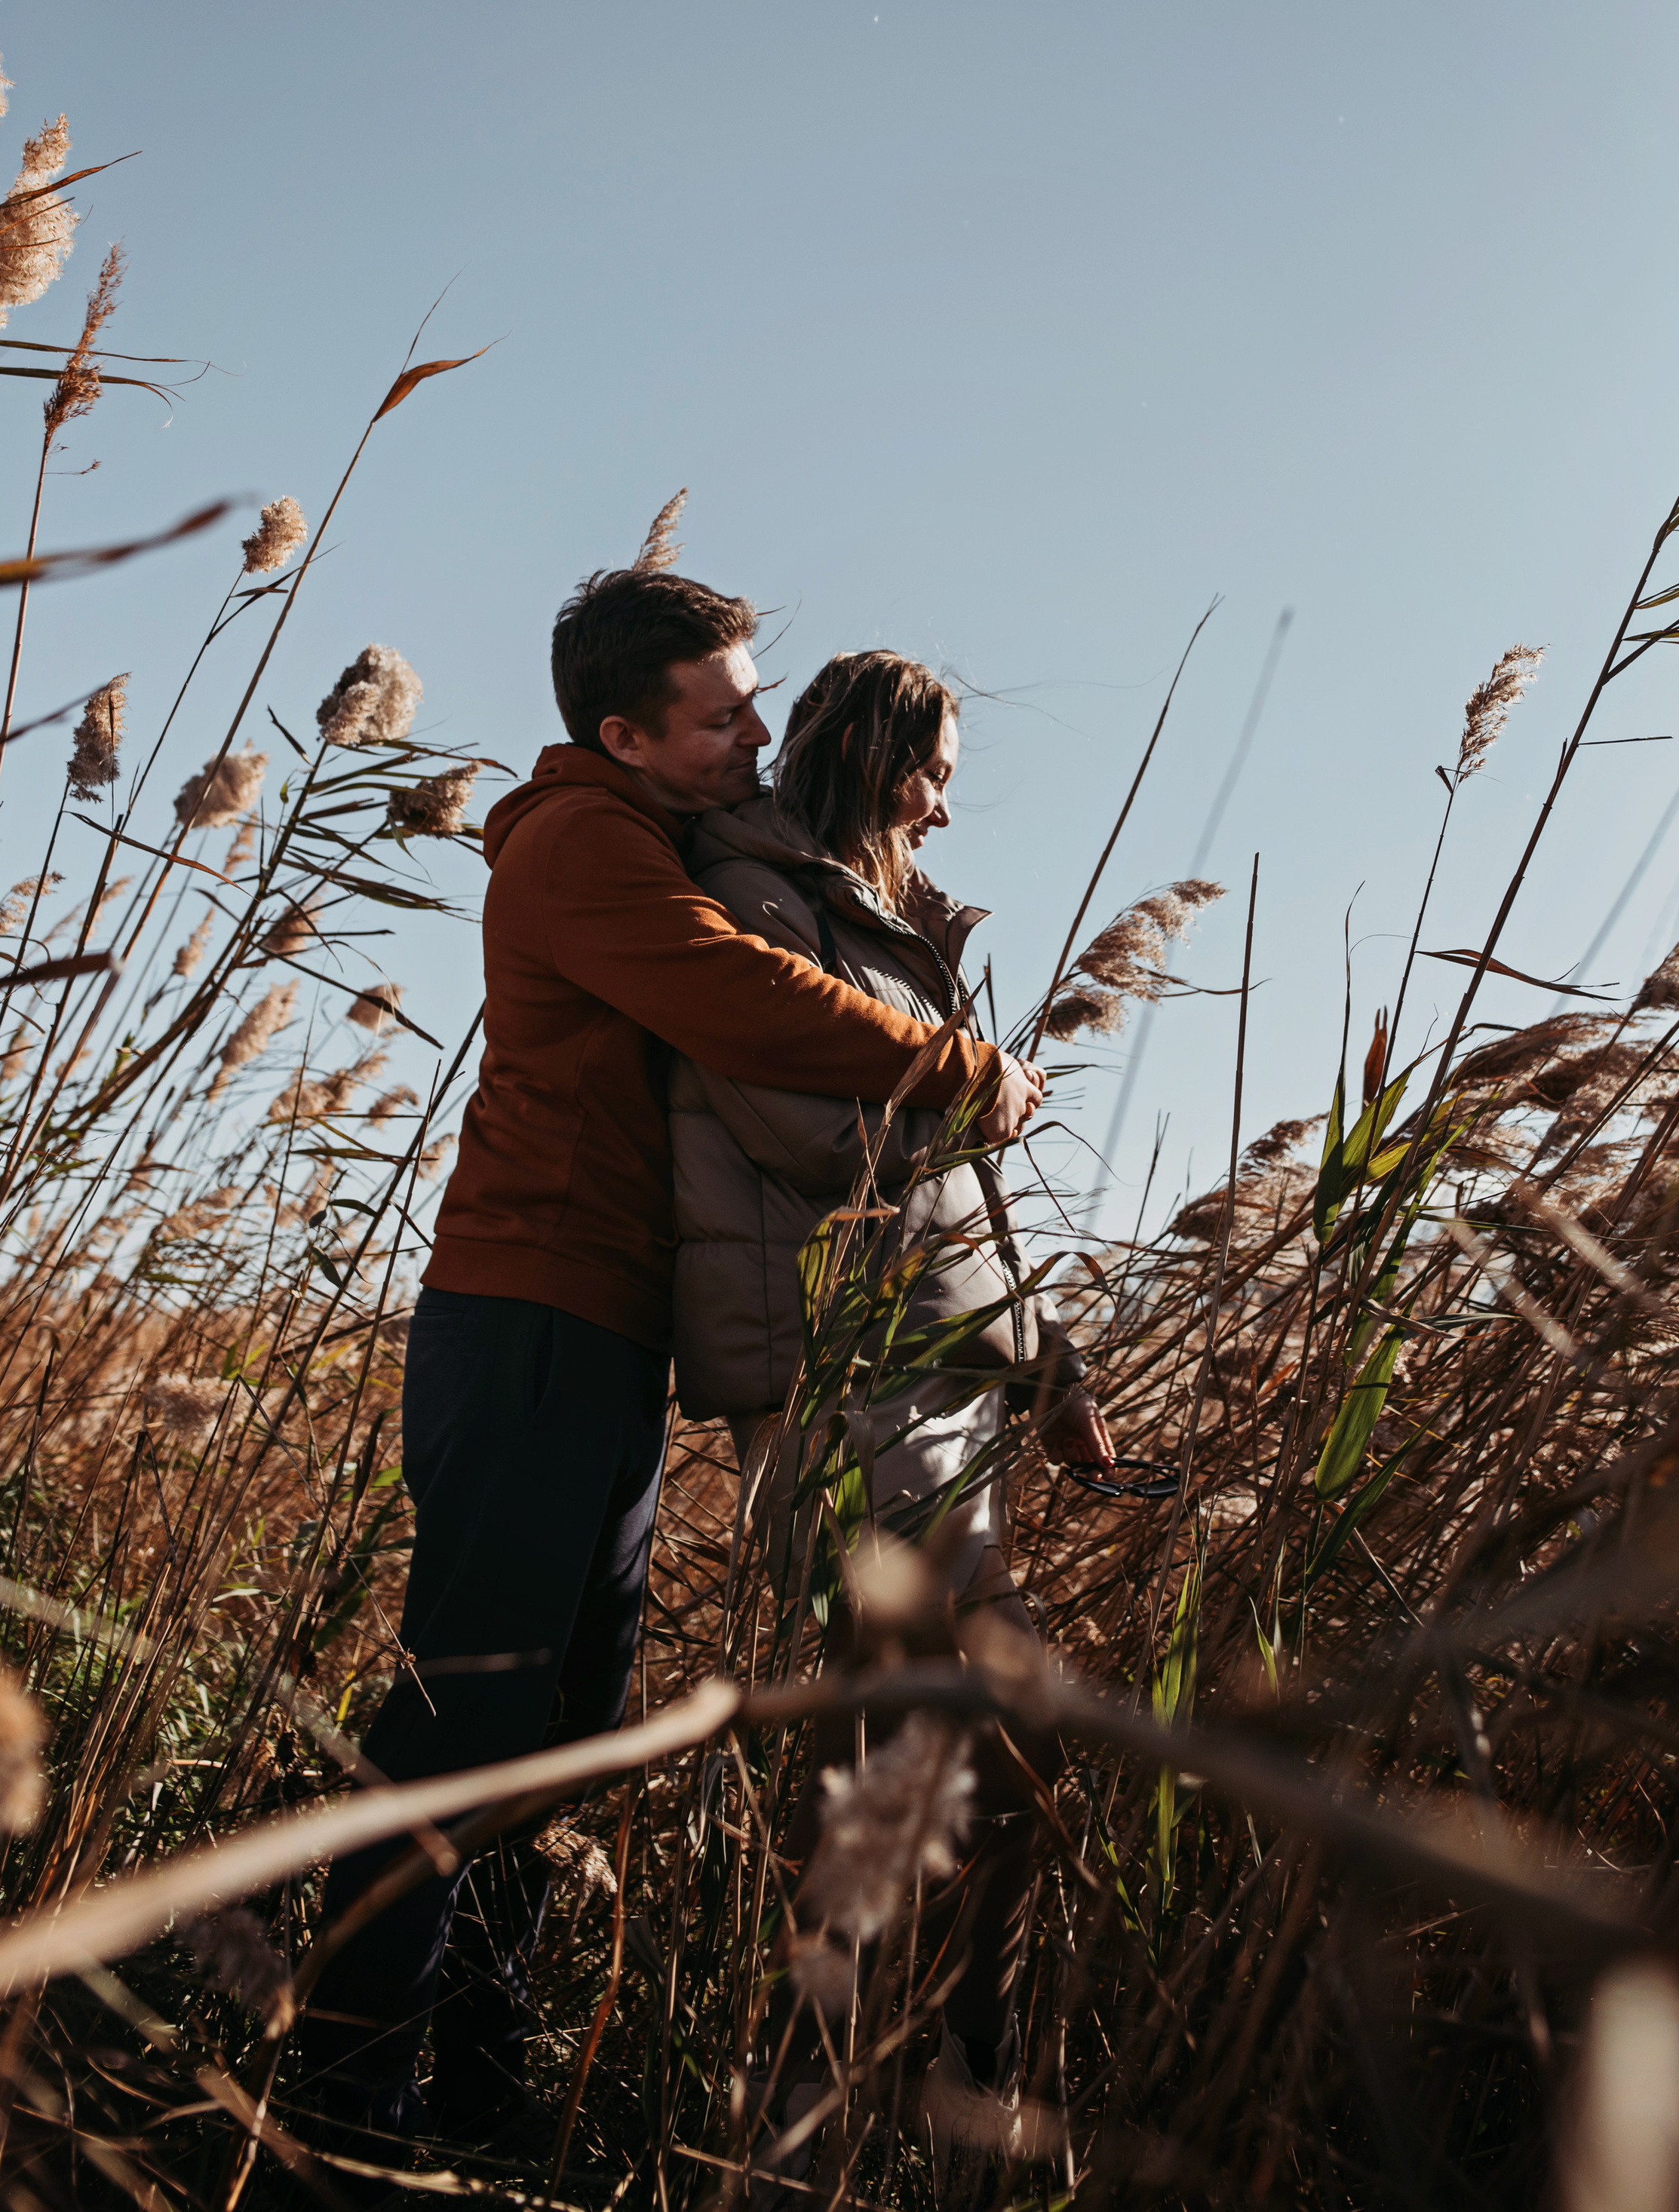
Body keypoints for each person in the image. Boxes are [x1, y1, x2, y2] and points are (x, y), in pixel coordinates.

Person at [296, 575, 1045, 2161]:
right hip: (530, 1313)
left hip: (607, 1331)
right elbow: (735, 995)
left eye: (758, 701)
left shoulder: (646, 835)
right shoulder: (584, 844)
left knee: (557, 1725)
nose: (757, 734)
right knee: (466, 1715)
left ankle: (477, 2091)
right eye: (722, 713)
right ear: (626, 733)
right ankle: (345, 2093)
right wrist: (963, 1066)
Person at [668, 649, 1113, 2198]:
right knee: (899, 1753)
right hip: (834, 1364)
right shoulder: (749, 889)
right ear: (869, 757)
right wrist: (975, 1090)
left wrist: (1049, 1364)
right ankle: (803, 2131)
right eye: (930, 762)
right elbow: (794, 1119)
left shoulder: (897, 934)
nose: (944, 793)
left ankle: (954, 2087)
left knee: (1002, 1735)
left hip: (943, 1364)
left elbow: (963, 1184)